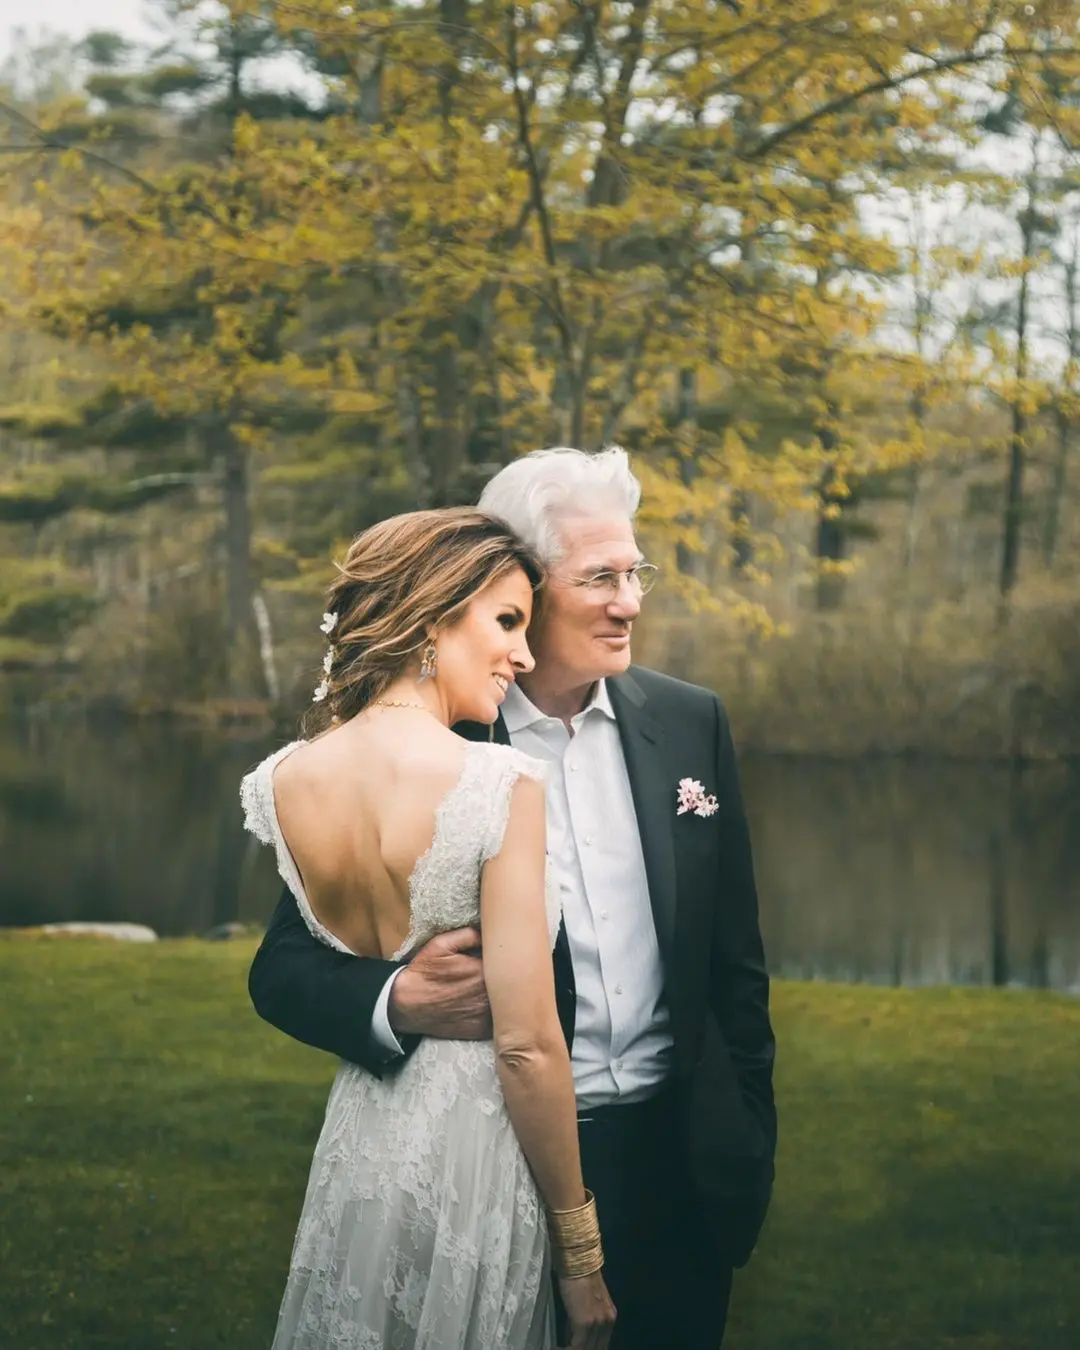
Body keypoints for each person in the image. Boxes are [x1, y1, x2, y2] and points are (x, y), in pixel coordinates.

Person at [250, 448, 777, 1350]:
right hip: (517, 1161)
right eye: (602, 576)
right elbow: (282, 969)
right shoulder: (443, 743)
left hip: (683, 1165)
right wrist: (395, 999)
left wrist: (746, 1127)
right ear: (526, 584)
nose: (630, 601)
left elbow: (736, 961)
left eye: (636, 572)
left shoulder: (691, 721)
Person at [240, 507, 617, 1350]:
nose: (524, 657)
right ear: (433, 613)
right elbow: (525, 1046)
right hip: (478, 1146)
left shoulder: (282, 781)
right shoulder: (499, 781)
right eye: (509, 622)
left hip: (363, 1138)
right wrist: (580, 1254)